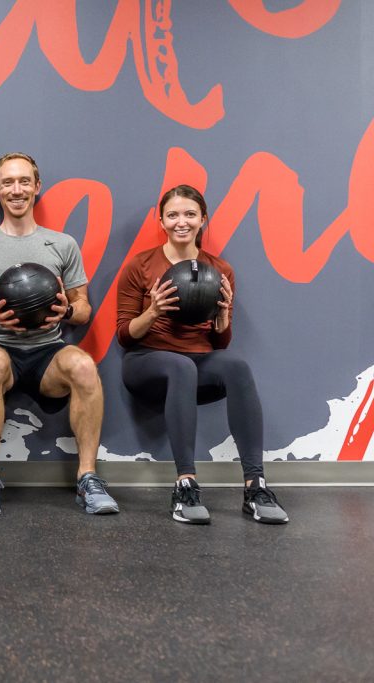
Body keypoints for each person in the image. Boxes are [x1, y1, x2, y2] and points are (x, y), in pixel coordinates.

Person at [0, 152, 118, 516]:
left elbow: (84, 307)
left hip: (47, 349)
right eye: (8, 182)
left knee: (85, 365)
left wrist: (67, 312)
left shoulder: (62, 244)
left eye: (24, 181)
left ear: (37, 187)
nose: (17, 189)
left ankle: (88, 477)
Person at [115, 184, 288, 524]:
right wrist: (153, 311)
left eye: (190, 214)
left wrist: (222, 319)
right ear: (161, 220)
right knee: (181, 366)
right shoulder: (140, 265)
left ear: (203, 219)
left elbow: (220, 344)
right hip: (146, 361)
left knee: (236, 365)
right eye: (173, 215)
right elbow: (124, 336)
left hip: (197, 361)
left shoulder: (219, 270)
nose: (182, 222)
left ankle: (255, 486)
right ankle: (185, 484)